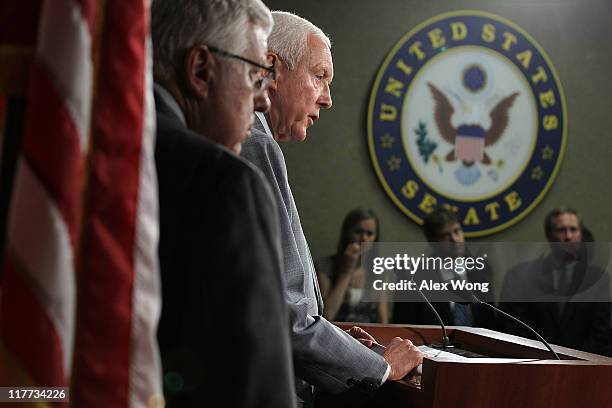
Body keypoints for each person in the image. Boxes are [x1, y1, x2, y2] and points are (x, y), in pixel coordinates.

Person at [240, 11, 423, 407]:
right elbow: (281, 318)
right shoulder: (254, 142)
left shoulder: (256, 139)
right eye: (319, 76)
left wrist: (339, 341)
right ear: (272, 67)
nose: (327, 97)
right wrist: (381, 368)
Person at [151, 1, 295, 406]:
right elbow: (254, 392)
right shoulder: (222, 182)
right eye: (255, 75)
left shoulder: (68, 146)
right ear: (200, 70)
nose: (263, 101)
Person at [500, 208, 612, 355]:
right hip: (534, 363)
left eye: (573, 229)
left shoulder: (599, 280)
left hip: (583, 368)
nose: (568, 236)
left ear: (581, 235)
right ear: (549, 236)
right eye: (561, 230)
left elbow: (601, 333)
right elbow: (513, 327)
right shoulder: (521, 276)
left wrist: (574, 362)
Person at [393, 207, 496, 329]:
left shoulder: (481, 270)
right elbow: (405, 328)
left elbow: (490, 322)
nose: (454, 240)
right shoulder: (414, 279)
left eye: (457, 231)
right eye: (445, 236)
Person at [316, 208, 388, 323]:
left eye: (369, 234)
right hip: (336, 334)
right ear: (347, 232)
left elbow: (383, 321)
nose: (364, 238)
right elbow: (327, 316)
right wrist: (346, 272)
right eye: (358, 232)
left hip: (368, 337)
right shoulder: (326, 265)